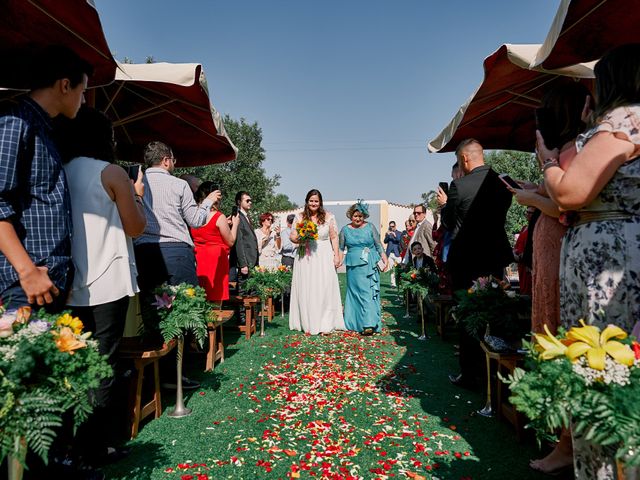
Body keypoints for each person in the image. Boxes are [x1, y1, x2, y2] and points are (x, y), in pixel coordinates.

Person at [536, 44, 640, 480]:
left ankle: (605, 469)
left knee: (601, 365)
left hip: (606, 265)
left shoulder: (620, 123)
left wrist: (546, 164)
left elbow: (570, 193)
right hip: (615, 250)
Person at [56, 106, 146, 468]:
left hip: (68, 280)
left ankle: (67, 445)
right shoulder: (112, 173)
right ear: (103, 138)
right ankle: (95, 449)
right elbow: (136, 227)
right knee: (101, 364)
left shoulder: (59, 171)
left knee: (71, 362)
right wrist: (136, 194)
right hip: (107, 281)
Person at [0, 45, 92, 310]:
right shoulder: (16, 122)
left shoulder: (43, 129)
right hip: (23, 284)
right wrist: (27, 271)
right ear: (65, 85)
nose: (84, 101)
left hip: (47, 280)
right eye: (82, 91)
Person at [134, 141, 220, 389]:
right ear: (166, 160)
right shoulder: (178, 184)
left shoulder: (136, 182)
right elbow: (195, 221)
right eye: (173, 160)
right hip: (176, 253)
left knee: (152, 313)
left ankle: (152, 375)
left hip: (144, 253)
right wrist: (207, 203)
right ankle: (175, 376)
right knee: (181, 312)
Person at [441, 138, 512, 388]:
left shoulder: (458, 186)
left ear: (464, 159)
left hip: (467, 259)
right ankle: (497, 372)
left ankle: (470, 374)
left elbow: (449, 223)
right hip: (494, 257)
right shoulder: (503, 183)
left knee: (468, 313)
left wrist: (444, 206)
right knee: (494, 311)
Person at [289, 189, 345, 335]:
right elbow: (292, 236)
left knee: (324, 286)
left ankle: (325, 322)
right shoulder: (299, 217)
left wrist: (336, 255)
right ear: (307, 201)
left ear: (320, 202)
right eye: (311, 200)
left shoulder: (329, 216)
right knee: (307, 286)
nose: (313, 203)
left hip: (324, 254)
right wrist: (302, 237)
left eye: (316, 201)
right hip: (306, 256)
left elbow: (334, 237)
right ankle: (308, 321)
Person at [339, 201, 387, 335]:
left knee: (367, 293)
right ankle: (355, 322)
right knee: (354, 293)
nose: (358, 218)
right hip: (352, 267)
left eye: (361, 216)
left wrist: (384, 258)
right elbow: (340, 248)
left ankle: (369, 324)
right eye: (355, 216)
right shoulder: (344, 230)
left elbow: (378, 245)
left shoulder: (370, 227)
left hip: (369, 265)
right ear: (350, 216)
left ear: (364, 216)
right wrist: (337, 260)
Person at [191, 182, 239, 303]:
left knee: (200, 296)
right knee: (215, 300)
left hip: (199, 258)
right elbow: (230, 241)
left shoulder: (194, 215)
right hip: (216, 260)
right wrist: (235, 225)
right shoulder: (218, 216)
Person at [231, 191, 259, 323]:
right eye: (247, 200)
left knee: (252, 290)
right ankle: (242, 319)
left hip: (252, 260)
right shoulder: (238, 217)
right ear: (239, 202)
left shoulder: (246, 216)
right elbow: (239, 242)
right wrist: (243, 264)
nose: (250, 202)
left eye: (250, 200)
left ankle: (252, 317)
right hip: (245, 262)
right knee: (243, 292)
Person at [383, 221, 402, 287]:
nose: (391, 228)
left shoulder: (399, 233)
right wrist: (387, 235)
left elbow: (400, 241)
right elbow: (385, 241)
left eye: (393, 226)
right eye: (390, 226)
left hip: (397, 254)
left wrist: (395, 235)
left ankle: (400, 282)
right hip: (390, 254)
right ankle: (393, 284)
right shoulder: (388, 233)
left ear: (395, 226)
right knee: (392, 270)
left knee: (400, 268)